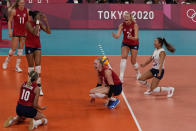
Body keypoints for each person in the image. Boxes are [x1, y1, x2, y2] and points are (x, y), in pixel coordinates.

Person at [25, 10, 51, 96]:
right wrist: (37, 23)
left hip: (37, 46)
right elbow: (35, 33)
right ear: (35, 17)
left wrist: (46, 22)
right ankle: (29, 85)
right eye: (39, 16)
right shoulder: (28, 23)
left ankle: (39, 87)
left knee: (38, 67)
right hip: (29, 46)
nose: (40, 17)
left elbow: (48, 32)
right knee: (31, 68)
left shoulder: (39, 23)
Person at [2, 0, 30, 72]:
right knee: (13, 49)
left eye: (23, 3)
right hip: (16, 32)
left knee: (20, 50)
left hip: (23, 33)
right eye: (21, 3)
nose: (22, 4)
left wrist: (28, 32)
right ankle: (6, 61)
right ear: (18, 3)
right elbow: (9, 21)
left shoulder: (27, 11)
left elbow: (28, 22)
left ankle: (17, 66)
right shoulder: (14, 11)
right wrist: (10, 31)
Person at [112, 12, 140, 83]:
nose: (126, 18)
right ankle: (121, 77)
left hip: (134, 43)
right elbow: (118, 35)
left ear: (130, 18)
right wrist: (115, 36)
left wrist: (131, 38)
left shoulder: (135, 25)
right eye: (125, 17)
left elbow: (136, 38)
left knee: (133, 61)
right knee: (124, 57)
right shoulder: (121, 25)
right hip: (125, 43)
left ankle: (138, 73)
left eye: (127, 17)